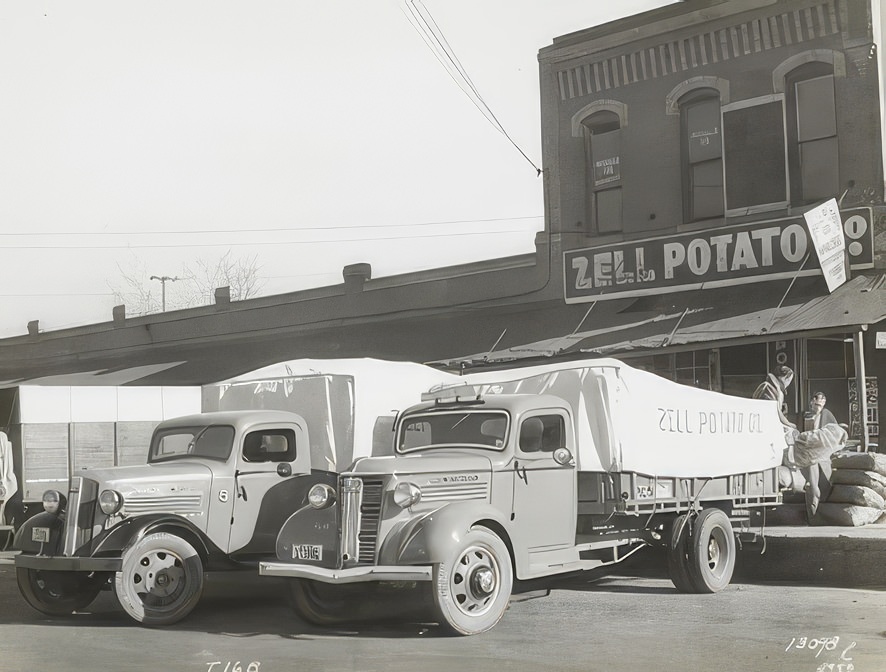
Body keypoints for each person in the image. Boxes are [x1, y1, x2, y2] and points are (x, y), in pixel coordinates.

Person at [752, 365, 796, 429]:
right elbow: (772, 411)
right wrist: (787, 423)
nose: (788, 383)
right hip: (762, 424)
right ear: (784, 377)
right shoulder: (767, 387)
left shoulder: (775, 389)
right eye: (789, 380)